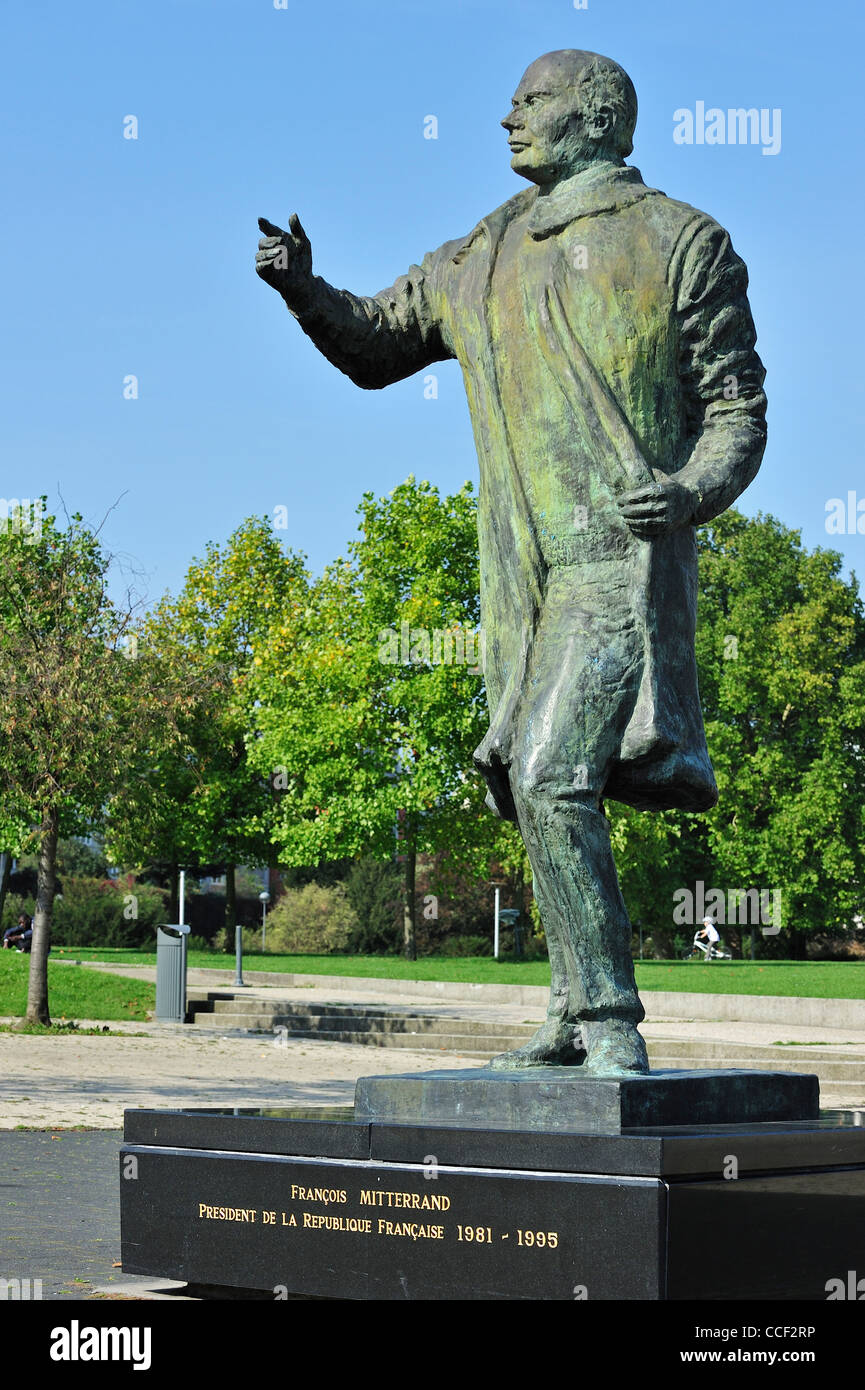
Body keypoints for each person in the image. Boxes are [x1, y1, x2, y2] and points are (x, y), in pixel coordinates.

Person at [255, 49, 766, 1075]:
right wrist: (305, 291)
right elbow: (376, 343)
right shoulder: (481, 253)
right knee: (528, 785)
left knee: (550, 773)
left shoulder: (678, 242)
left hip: (616, 569)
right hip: (523, 585)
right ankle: (573, 1011)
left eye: (530, 103)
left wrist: (687, 493)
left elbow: (736, 409)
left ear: (595, 118)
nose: (506, 120)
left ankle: (609, 1017)